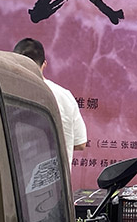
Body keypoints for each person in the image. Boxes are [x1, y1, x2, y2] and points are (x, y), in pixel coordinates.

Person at [13, 38, 87, 167]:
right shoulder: (65, 96)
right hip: (57, 176)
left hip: (14, 176)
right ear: (44, 64)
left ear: (14, 63)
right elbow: (80, 143)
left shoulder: (6, 91)